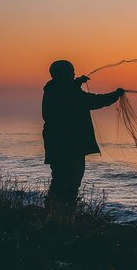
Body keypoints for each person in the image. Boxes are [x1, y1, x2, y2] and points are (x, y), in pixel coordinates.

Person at [42, 60, 124, 221]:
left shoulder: (52, 89)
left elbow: (68, 92)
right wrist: (116, 95)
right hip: (70, 146)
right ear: (63, 74)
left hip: (56, 145)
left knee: (59, 180)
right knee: (70, 182)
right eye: (71, 72)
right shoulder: (67, 92)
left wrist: (78, 82)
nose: (74, 74)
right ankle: (63, 219)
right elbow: (94, 101)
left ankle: (53, 215)